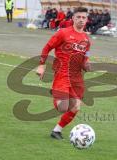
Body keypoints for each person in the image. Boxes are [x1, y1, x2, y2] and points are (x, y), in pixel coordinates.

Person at [36, 7, 91, 140]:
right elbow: (47, 47)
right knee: (63, 107)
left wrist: (87, 65)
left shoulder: (87, 40)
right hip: (62, 73)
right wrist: (41, 65)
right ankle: (56, 93)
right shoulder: (63, 33)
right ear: (73, 18)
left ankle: (57, 131)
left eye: (84, 17)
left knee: (76, 106)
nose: (81, 20)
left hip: (77, 77)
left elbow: (85, 58)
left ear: (87, 19)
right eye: (78, 17)